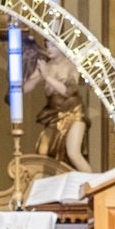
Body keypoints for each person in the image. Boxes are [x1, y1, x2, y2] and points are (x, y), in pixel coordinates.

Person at [22, 39, 92, 172]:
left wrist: (47, 77)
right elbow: (25, 88)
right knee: (43, 152)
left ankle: (93, 182)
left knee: (73, 153)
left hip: (74, 112)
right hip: (53, 115)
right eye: (47, 45)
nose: (49, 49)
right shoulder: (45, 66)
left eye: (53, 45)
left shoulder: (71, 65)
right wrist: (39, 76)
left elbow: (68, 91)